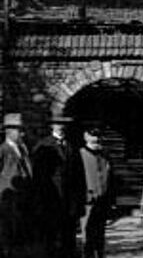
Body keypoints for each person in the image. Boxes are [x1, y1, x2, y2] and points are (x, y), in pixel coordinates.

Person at [32, 109, 86, 258]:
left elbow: (79, 176)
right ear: (51, 126)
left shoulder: (72, 147)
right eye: (57, 124)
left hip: (70, 204)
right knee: (52, 240)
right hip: (51, 202)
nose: (60, 127)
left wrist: (80, 201)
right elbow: (39, 179)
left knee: (69, 240)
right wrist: (41, 203)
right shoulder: (43, 146)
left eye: (63, 124)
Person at [0, 113, 32, 257]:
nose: (22, 133)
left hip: (24, 198)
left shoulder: (23, 149)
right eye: (19, 130)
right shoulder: (3, 150)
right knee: (8, 234)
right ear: (9, 131)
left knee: (21, 235)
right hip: (9, 200)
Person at [79, 127, 114, 258]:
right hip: (88, 201)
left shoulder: (105, 155)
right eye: (92, 135)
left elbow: (111, 178)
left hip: (103, 201)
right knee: (87, 235)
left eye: (98, 136)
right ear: (85, 136)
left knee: (100, 236)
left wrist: (111, 199)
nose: (95, 139)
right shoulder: (80, 154)